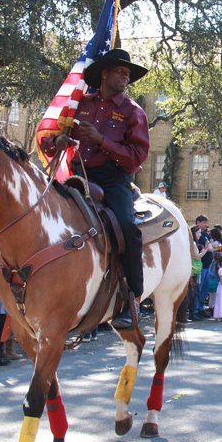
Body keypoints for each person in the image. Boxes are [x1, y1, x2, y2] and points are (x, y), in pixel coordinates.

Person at [38, 48, 150, 331]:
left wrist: (102, 141)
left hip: (113, 180)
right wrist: (59, 142)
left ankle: (132, 300)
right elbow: (48, 139)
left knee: (127, 226)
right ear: (104, 73)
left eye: (128, 74)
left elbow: (137, 156)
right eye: (120, 71)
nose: (126, 77)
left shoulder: (133, 112)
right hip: (77, 175)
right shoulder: (79, 103)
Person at [191, 216, 213, 321]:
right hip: (200, 267)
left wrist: (209, 247)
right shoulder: (197, 238)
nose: (206, 225)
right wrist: (207, 249)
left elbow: (212, 247)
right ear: (198, 222)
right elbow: (207, 249)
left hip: (207, 266)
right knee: (198, 289)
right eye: (204, 223)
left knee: (204, 289)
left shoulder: (204, 235)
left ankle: (200, 309)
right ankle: (195, 310)